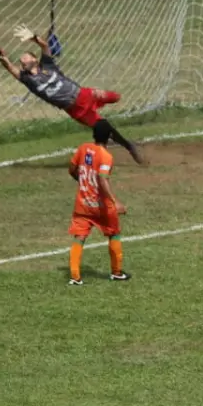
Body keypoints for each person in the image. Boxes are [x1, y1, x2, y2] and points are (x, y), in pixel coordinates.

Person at [0, 25, 145, 165]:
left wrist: (33, 37)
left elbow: (45, 47)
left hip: (84, 94)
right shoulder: (27, 79)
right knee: (103, 126)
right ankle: (129, 146)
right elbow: (8, 66)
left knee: (116, 97)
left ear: (34, 60)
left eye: (26, 57)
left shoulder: (47, 64)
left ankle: (114, 143)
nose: (22, 60)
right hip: (74, 109)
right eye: (21, 60)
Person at [67, 120, 131, 286]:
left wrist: (82, 181)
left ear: (94, 134)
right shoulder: (106, 156)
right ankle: (116, 273)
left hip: (83, 204)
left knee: (79, 238)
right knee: (113, 234)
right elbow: (102, 179)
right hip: (101, 206)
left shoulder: (83, 149)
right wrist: (115, 202)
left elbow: (72, 169)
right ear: (109, 136)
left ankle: (75, 277)